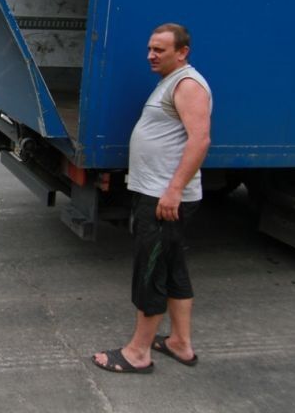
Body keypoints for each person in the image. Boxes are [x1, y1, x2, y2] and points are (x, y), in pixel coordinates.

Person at [93, 23, 212, 374]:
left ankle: (138, 352)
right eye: (149, 48)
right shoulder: (171, 82)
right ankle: (180, 343)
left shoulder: (188, 85)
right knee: (173, 267)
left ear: (182, 52)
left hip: (164, 198)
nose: (151, 55)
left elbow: (200, 140)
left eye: (159, 49)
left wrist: (173, 190)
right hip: (159, 193)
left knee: (151, 271)